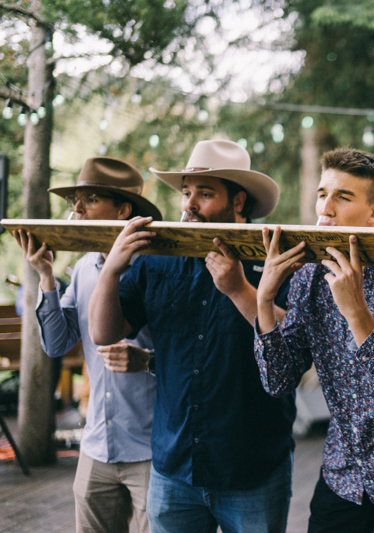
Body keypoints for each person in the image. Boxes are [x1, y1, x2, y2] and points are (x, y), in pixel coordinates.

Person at [88, 140, 296, 533]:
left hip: (252, 468)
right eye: (186, 192)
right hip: (174, 469)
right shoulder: (158, 259)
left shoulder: (274, 256)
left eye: (204, 193)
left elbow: (295, 344)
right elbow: (105, 332)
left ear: (238, 202)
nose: (189, 204)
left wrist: (240, 290)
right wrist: (112, 269)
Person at [254, 148, 374, 533]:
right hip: (345, 468)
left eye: (343, 197)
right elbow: (277, 380)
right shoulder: (308, 278)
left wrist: (357, 313)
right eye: (322, 194)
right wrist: (264, 300)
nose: (326, 208)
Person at [13, 156, 162, 533]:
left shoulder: (158, 267)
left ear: (123, 210)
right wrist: (46, 275)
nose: (76, 210)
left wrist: (148, 359)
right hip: (96, 447)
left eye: (90, 199)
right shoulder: (81, 269)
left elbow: (188, 349)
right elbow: (57, 343)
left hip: (152, 449)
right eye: (74, 201)